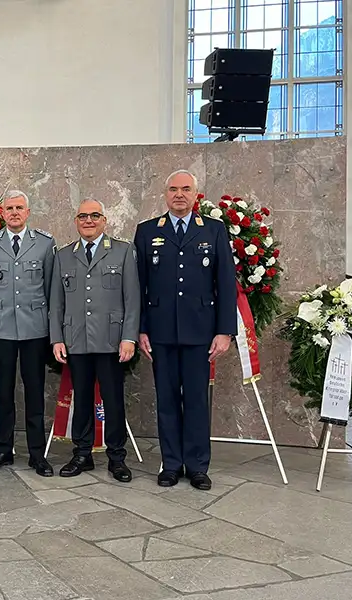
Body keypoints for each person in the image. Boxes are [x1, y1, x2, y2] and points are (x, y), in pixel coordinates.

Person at [134, 170, 236, 491]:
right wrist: (141, 329)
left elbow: (226, 284)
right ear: (165, 194)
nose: (179, 194)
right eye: (173, 189)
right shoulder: (148, 231)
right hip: (161, 333)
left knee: (195, 401)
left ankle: (197, 466)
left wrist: (224, 331)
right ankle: (171, 464)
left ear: (196, 194)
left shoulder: (214, 231)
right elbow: (139, 286)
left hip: (200, 333)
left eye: (186, 189)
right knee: (166, 400)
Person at [49, 199, 140, 482]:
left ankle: (117, 458)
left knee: (113, 400)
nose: (88, 220)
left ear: (104, 220)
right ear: (76, 221)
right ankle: (82, 453)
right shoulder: (63, 255)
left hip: (112, 341)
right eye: (83, 216)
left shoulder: (123, 252)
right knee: (82, 398)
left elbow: (132, 300)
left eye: (94, 216)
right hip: (76, 339)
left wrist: (129, 338)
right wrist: (56, 339)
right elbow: (56, 302)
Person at [0, 190, 56, 477]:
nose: (14, 213)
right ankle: (3, 449)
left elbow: (50, 287)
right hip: (2, 328)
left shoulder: (45, 244)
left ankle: (37, 453)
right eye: (9, 208)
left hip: (35, 327)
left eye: (19, 208)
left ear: (28, 212)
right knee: (4, 392)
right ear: (2, 213)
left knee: (35, 391)